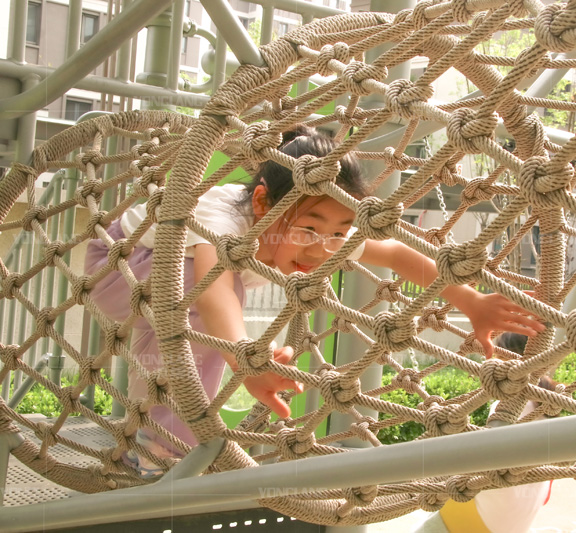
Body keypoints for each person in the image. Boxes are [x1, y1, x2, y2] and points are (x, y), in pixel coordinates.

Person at [85, 125, 545, 476]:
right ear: (264, 204)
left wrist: (468, 300)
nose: (320, 247)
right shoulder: (221, 217)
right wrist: (247, 357)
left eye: (338, 234)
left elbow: (396, 253)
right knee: (208, 304)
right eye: (308, 229)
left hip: (166, 299)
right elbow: (216, 290)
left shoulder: (321, 237)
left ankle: (147, 440)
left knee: (180, 343)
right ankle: (162, 449)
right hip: (119, 267)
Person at [414, 332, 556, 533]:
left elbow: (488, 458)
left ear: (503, 357)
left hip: (483, 516)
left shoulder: (507, 404)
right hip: (519, 518)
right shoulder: (546, 403)